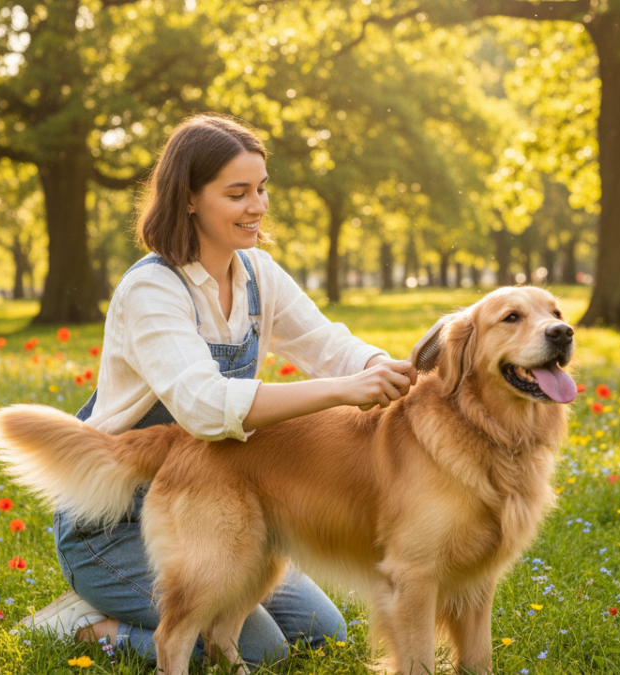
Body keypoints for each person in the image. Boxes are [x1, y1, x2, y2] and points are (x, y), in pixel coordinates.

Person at [22, 114, 417, 665]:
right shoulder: (150, 290)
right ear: (188, 198)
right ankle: (88, 623)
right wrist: (343, 390)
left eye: (261, 189)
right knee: (251, 651)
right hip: (120, 524)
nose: (257, 206)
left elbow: (326, 343)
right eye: (237, 193)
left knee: (324, 633)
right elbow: (205, 408)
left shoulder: (258, 273)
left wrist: (388, 370)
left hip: (226, 502)